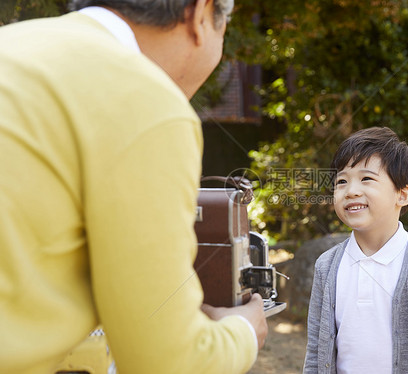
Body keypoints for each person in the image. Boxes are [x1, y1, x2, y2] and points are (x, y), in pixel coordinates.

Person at [0, 1, 267, 373]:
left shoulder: (13, 44)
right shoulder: (147, 98)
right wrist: (245, 331)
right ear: (201, 15)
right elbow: (167, 363)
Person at [303, 127, 408, 373]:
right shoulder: (327, 265)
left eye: (366, 179)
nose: (351, 190)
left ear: (402, 194)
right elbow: (315, 351)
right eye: (341, 181)